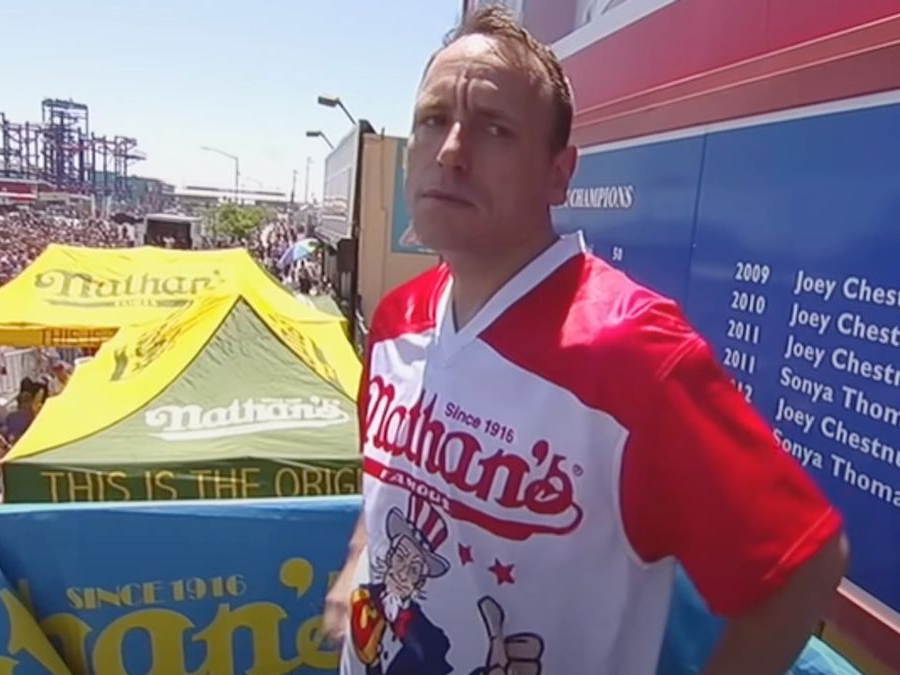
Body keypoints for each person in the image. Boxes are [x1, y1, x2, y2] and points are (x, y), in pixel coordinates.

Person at [323, 7, 849, 675]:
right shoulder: (397, 318)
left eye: (494, 129)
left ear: (558, 172)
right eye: (433, 120)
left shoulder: (635, 353)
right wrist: (355, 563)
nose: (451, 150)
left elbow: (802, 563)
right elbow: (390, 485)